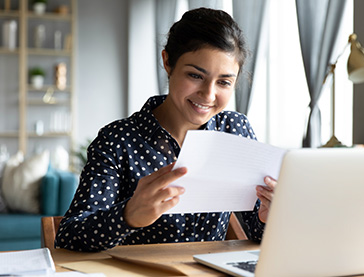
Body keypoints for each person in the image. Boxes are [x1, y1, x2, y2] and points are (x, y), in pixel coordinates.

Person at [55, 7, 277, 252]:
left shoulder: (235, 130)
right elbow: (68, 237)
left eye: (224, 82)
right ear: (167, 62)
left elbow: (257, 231)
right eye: (195, 75)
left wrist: (270, 217)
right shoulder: (117, 140)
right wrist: (126, 216)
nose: (208, 94)